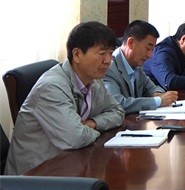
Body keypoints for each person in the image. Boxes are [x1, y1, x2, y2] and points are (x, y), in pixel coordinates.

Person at [6, 22, 124, 175]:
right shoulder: (51, 87)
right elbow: (75, 138)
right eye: (102, 53)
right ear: (77, 55)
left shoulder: (94, 80)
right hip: (35, 177)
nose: (108, 60)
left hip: (70, 164)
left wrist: (93, 123)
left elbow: (118, 112)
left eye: (111, 53)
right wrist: (92, 130)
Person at [104, 20, 179, 113]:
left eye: (152, 50)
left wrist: (157, 94)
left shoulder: (136, 66)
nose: (150, 55)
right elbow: (117, 104)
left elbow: (152, 87)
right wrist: (158, 101)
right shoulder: (108, 68)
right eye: (148, 48)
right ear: (131, 43)